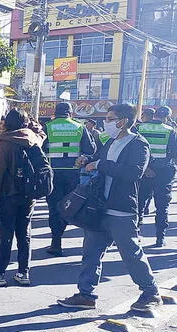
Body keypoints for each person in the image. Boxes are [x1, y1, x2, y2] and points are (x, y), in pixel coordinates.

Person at [58, 103, 161, 312]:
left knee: (131, 253)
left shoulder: (138, 144)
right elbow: (100, 159)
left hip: (121, 209)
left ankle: (150, 292)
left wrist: (99, 165)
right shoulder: (112, 141)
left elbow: (134, 173)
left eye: (110, 118)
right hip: (99, 208)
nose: (106, 122)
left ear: (122, 121)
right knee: (91, 253)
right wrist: (87, 159)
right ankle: (86, 295)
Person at [0, 109, 47, 286]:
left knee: (5, 235)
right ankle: (23, 272)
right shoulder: (33, 139)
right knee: (24, 233)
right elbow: (40, 132)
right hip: (28, 195)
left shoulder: (5, 142)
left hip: (8, 195)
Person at [43, 102, 96, 256]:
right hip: (73, 174)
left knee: (54, 207)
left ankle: (56, 242)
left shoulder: (48, 126)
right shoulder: (79, 127)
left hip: (53, 173)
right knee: (70, 206)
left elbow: (40, 148)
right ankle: (68, 233)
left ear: (55, 113)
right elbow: (91, 149)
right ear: (71, 114)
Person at [137, 106, 177, 247]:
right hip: (164, 174)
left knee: (139, 204)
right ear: (167, 116)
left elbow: (135, 151)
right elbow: (174, 154)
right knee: (162, 206)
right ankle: (160, 238)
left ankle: (135, 234)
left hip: (143, 172)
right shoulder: (170, 130)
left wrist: (146, 167)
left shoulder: (140, 128)